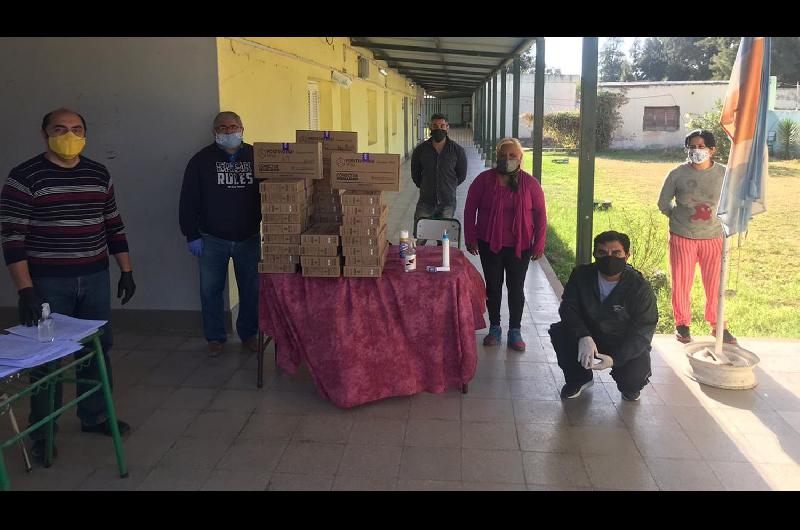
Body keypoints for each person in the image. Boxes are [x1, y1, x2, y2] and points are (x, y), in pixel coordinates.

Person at [0, 107, 136, 462]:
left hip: (94, 278)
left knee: (96, 349)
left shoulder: (97, 173)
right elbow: (12, 238)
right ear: (44, 133)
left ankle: (94, 416)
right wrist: (25, 289)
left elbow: (113, 224)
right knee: (46, 360)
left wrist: (126, 270)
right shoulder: (24, 177)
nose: (69, 135)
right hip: (47, 282)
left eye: (77, 129)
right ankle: (44, 432)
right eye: (60, 129)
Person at [179, 111, 260, 357]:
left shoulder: (256, 156)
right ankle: (215, 337)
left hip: (248, 237)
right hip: (212, 239)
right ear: (214, 132)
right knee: (210, 290)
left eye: (233, 126)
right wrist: (191, 234)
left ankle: (249, 334)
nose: (229, 131)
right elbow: (188, 200)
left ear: (243, 128)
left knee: (251, 289)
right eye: (223, 127)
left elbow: (273, 191)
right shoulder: (201, 161)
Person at [549, 231, 658, 401]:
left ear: (627, 255)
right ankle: (579, 379)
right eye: (602, 253)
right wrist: (583, 335)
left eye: (616, 253)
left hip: (621, 340)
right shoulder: (581, 275)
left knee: (633, 379)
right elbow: (568, 308)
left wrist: (616, 358)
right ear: (595, 254)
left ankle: (630, 385)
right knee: (560, 332)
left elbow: (644, 330)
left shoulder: (639, 287)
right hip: (589, 337)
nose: (609, 258)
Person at [464, 138, 546, 351]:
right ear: (497, 156)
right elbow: (470, 208)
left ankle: (515, 330)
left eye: (512, 156)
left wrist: (539, 243)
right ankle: (495, 327)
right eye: (503, 155)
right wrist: (470, 237)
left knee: (516, 288)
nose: (507, 159)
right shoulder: (483, 181)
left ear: (520, 158)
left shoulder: (530, 184)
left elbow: (540, 214)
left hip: (520, 245)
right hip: (489, 243)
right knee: (493, 286)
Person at [657, 129, 736, 345]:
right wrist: (676, 217)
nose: (696, 151)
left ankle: (718, 324)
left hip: (713, 236)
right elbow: (663, 203)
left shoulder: (724, 174)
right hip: (683, 236)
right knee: (681, 282)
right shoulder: (677, 174)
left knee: (715, 284)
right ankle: (682, 324)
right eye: (692, 147)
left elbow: (733, 201)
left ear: (712, 150)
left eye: (701, 147)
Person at [410, 113, 468, 245]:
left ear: (447, 128)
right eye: (435, 126)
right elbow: (415, 175)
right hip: (425, 202)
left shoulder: (457, 151)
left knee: (443, 242)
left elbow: (461, 175)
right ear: (430, 127)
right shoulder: (420, 150)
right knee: (419, 240)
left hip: (447, 203)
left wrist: (448, 185)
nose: (439, 129)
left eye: (442, 126)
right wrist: (426, 186)